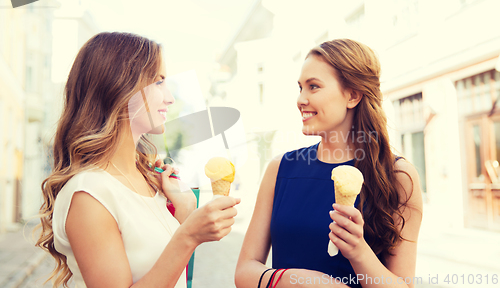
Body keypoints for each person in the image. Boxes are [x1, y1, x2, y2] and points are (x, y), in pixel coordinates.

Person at [35, 32, 240, 288]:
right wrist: (188, 235)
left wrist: (185, 212)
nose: (170, 98)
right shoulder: (88, 193)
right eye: (158, 82)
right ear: (119, 87)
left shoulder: (149, 181)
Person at [235, 39, 423, 288]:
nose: (301, 99)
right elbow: (244, 271)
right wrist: (296, 280)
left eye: (313, 87)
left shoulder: (398, 176)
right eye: (300, 87)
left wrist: (359, 252)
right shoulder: (280, 169)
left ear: (353, 95)